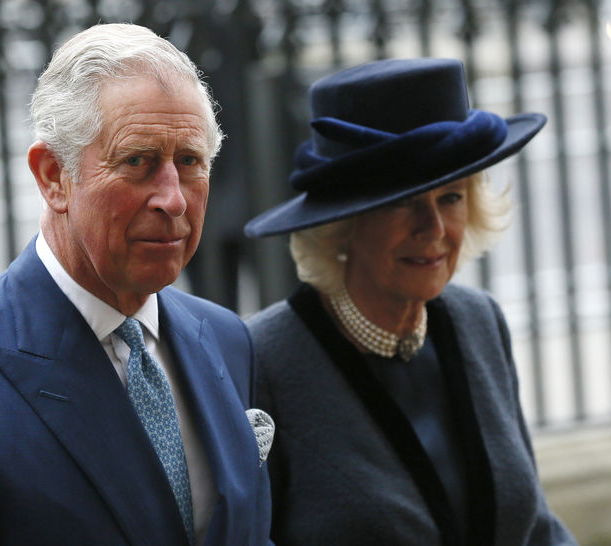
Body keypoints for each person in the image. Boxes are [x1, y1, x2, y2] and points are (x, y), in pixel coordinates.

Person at [0, 23, 272, 545]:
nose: (174, 199)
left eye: (189, 162)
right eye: (138, 162)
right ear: (53, 176)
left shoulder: (229, 341)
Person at [243, 58, 576, 545]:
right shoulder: (264, 362)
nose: (434, 230)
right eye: (404, 202)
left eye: (452, 197)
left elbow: (536, 528)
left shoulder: (478, 321)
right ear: (344, 221)